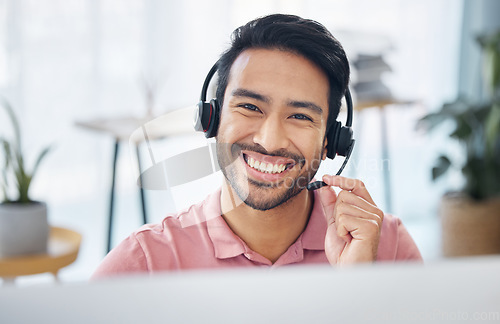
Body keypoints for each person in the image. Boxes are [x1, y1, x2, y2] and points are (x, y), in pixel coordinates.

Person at [92, 14, 422, 279]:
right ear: (212, 119)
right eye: (250, 107)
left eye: (299, 115)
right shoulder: (143, 265)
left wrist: (358, 290)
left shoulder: (385, 245)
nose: (270, 141)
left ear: (330, 142)